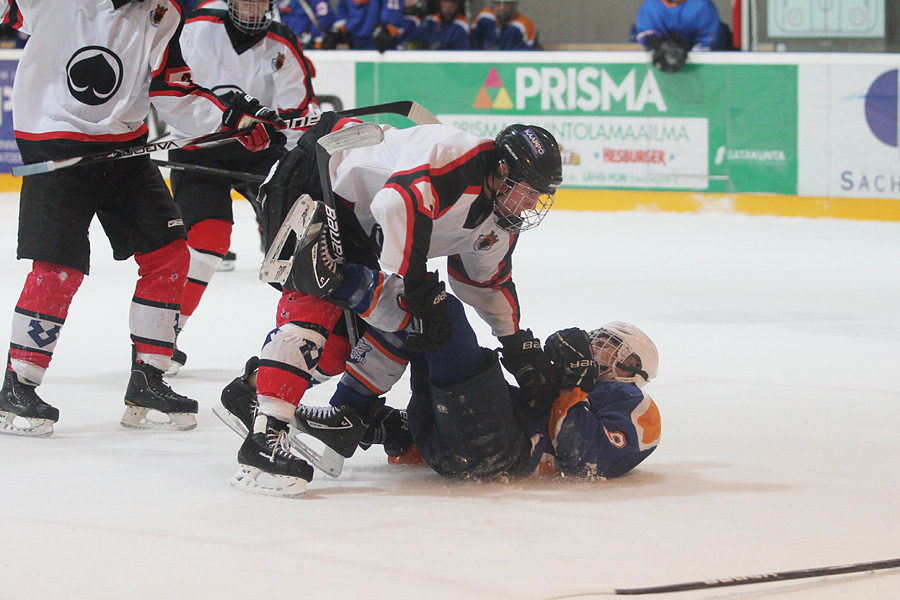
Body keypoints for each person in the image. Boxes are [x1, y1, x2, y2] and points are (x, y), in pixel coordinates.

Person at [223, 115, 563, 497]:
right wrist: (415, 283)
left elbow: (484, 281)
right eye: (527, 190)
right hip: (318, 179)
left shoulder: (501, 218)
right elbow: (396, 202)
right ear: (502, 170)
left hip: (359, 224)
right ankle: (265, 437)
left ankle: (263, 393)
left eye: (540, 195)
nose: (531, 203)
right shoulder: (459, 157)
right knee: (315, 303)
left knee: (358, 339)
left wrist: (516, 345)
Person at [0, 0, 283, 438]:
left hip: (126, 151)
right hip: (55, 146)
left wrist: (231, 119)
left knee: (170, 256)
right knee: (59, 269)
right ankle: (18, 384)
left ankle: (148, 379)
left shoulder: (162, 11)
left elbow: (172, 90)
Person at [165, 0, 321, 375]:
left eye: (259, 2)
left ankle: (297, 339)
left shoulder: (282, 43)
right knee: (208, 240)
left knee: (291, 242)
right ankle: (163, 336)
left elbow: (296, 114)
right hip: (199, 146)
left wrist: (300, 124)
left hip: (258, 150)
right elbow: (166, 87)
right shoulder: (195, 27)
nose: (252, 9)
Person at [635, 0, 733, 73]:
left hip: (709, 65)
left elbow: (707, 40)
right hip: (671, 67)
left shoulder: (701, 6)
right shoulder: (650, 7)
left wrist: (692, 59)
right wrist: (659, 47)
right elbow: (647, 34)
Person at [323, 0, 405, 51]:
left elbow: (392, 26)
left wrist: (387, 30)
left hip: (380, 45)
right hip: (354, 44)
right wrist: (339, 33)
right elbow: (342, 14)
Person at [471, 0, 537, 51]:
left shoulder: (524, 25)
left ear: (514, 5)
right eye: (497, 3)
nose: (501, 8)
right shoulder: (485, 17)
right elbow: (473, 44)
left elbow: (525, 56)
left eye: (506, 4)